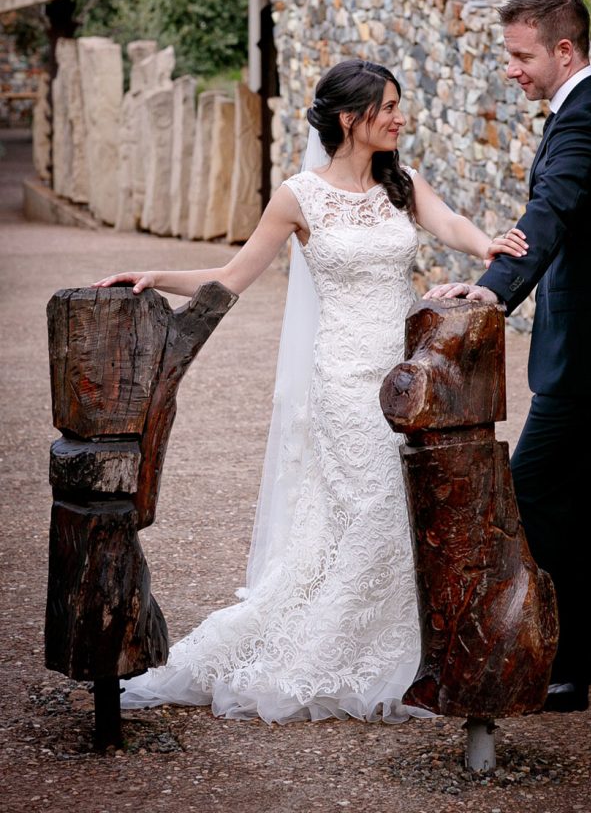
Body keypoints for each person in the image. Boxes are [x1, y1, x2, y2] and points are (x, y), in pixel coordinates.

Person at [93, 58, 528, 724]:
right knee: (373, 509)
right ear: (350, 118)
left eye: (397, 104)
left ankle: (418, 652)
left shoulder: (402, 183)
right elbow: (233, 276)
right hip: (343, 378)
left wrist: (490, 245)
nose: (398, 117)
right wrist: (155, 273)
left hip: (406, 376)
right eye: (386, 106)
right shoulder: (298, 196)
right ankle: (328, 657)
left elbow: (449, 227)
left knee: (402, 507)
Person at [426, 0, 591, 713]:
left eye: (520, 54)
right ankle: (567, 666)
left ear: (565, 50)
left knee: (523, 491)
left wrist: (495, 289)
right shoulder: (588, 114)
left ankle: (525, 650)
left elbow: (550, 211)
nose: (510, 68)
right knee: (583, 502)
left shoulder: (588, 121)